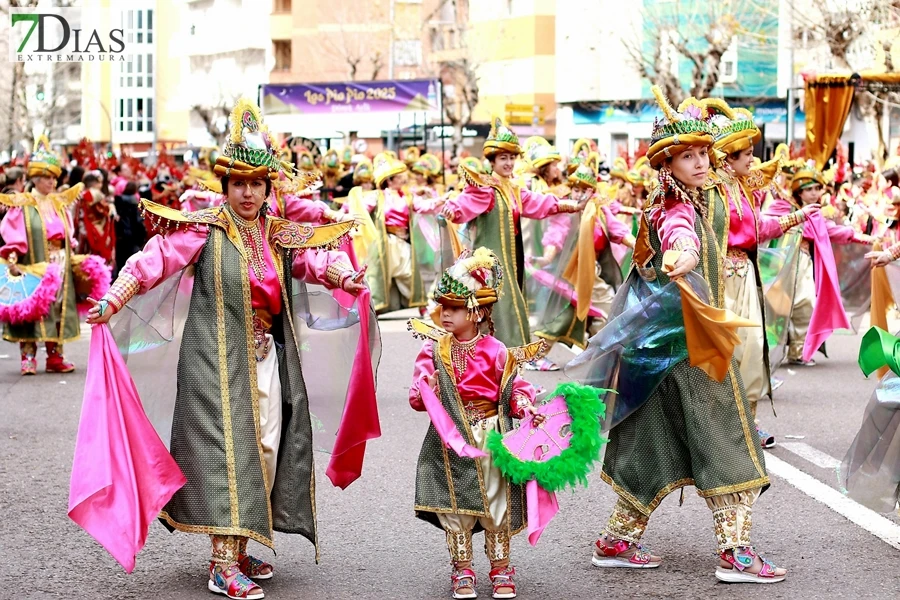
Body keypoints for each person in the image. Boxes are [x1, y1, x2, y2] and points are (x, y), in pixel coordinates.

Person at [85, 99, 371, 600]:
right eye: (238, 183)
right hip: (213, 362)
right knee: (227, 453)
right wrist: (113, 298)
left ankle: (239, 547)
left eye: (256, 184)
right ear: (225, 187)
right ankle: (221, 563)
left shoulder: (275, 233)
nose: (247, 192)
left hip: (265, 359)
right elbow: (153, 260)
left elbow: (309, 260)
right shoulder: (204, 228)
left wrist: (345, 276)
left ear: (267, 189)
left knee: (263, 451)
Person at [568, 87, 785, 583]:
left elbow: (737, 212)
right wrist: (682, 252)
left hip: (672, 348)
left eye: (703, 153)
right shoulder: (671, 203)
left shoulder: (706, 192)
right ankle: (736, 553)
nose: (701, 162)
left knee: (650, 444)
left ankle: (617, 542)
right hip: (689, 348)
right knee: (729, 441)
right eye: (688, 156)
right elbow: (678, 231)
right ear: (668, 164)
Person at [409, 247, 544, 600]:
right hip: (449, 440)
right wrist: (428, 390)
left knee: (496, 502)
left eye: (454, 308)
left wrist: (527, 406)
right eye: (443, 307)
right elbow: (415, 395)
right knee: (456, 504)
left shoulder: (498, 351)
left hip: (491, 437)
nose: (445, 314)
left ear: (478, 311)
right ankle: (463, 569)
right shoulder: (433, 350)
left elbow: (515, 390)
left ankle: (501, 568)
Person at [705, 101, 817, 448]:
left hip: (744, 275)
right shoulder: (710, 192)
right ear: (727, 158)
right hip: (718, 278)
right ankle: (715, 424)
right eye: (747, 154)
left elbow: (757, 228)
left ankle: (748, 422)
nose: (752, 160)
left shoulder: (741, 189)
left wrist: (796, 218)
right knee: (723, 352)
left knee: (752, 347)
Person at [441, 117, 584, 351]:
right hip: (488, 266)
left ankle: (506, 368)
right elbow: (464, 203)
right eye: (503, 158)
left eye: (511, 158)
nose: (508, 163)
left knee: (508, 310)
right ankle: (493, 364)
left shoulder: (513, 189)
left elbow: (540, 203)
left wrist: (570, 205)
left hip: (511, 264)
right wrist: (452, 208)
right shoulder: (486, 188)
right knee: (498, 312)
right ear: (493, 161)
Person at [764, 167, 872, 366]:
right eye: (808, 189)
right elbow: (764, 223)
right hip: (780, 264)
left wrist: (859, 237)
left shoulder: (815, 213)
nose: (814, 193)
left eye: (817, 188)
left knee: (806, 304)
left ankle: (797, 351)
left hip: (802, 264)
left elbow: (832, 231)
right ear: (798, 191)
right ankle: (769, 351)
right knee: (776, 306)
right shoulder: (783, 206)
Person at [0, 136, 84, 375]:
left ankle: (55, 356)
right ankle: (28, 357)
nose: (52, 182)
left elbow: (69, 235)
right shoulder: (23, 204)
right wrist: (13, 259)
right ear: (35, 179)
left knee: (57, 309)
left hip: (60, 263)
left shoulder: (59, 204)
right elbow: (14, 235)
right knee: (32, 308)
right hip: (34, 263)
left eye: (54, 177)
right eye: (47, 177)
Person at [535, 164, 635, 349]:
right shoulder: (567, 211)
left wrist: (635, 244)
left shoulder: (598, 210)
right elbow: (556, 234)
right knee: (561, 317)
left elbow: (616, 229)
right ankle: (537, 356)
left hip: (592, 274)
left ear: (592, 192)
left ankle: (599, 353)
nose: (579, 194)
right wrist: (547, 258)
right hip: (569, 274)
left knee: (605, 310)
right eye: (576, 189)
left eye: (584, 190)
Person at [360, 152, 440, 313]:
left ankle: (421, 305)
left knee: (409, 273)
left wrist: (442, 200)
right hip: (386, 243)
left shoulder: (407, 197)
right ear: (389, 180)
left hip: (403, 242)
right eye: (398, 176)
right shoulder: (378, 196)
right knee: (380, 277)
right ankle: (374, 307)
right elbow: (362, 208)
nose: (402, 178)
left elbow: (424, 206)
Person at [73, 171, 117, 264]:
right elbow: (106, 211)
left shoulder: (79, 195)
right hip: (96, 232)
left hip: (82, 230)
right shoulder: (95, 194)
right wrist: (111, 208)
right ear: (96, 183)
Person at [113, 181, 145, 275]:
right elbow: (138, 222)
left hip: (119, 234)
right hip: (132, 236)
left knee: (120, 260)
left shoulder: (117, 200)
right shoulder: (135, 202)